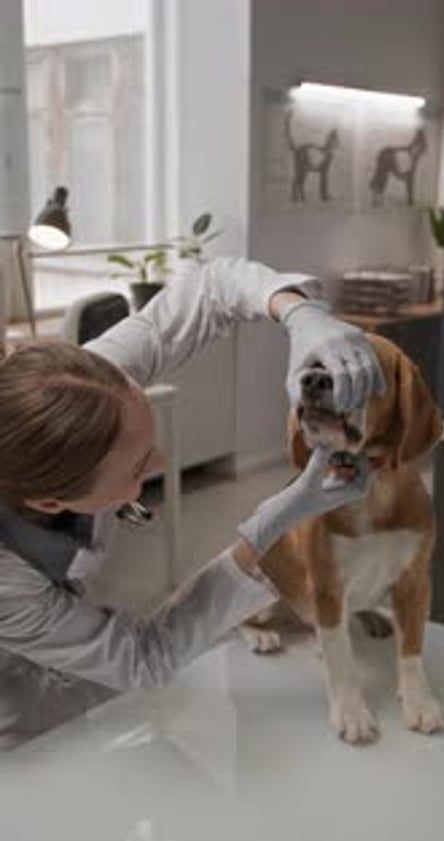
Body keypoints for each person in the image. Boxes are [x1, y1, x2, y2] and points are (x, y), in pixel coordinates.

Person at [0, 257, 384, 748]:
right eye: (139, 467)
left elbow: (212, 287)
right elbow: (145, 657)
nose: (161, 462)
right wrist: (274, 525)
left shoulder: (83, 389)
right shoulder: (8, 582)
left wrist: (299, 315)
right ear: (52, 502)